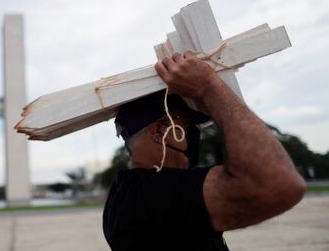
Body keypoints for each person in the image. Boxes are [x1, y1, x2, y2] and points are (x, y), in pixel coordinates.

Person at [102, 51, 306, 251]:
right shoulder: (150, 195)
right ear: (159, 131)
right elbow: (278, 183)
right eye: (187, 124)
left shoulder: (127, 194)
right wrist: (208, 87)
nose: (194, 134)